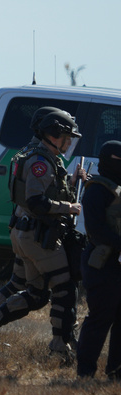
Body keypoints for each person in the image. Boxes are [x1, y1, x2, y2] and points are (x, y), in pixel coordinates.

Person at [0, 109, 84, 358]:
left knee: (36, 294)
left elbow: (47, 193)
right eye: (66, 137)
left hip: (28, 233)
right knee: (64, 289)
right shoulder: (41, 161)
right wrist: (70, 207)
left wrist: (73, 184)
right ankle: (60, 348)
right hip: (38, 235)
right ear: (52, 134)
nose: (68, 143)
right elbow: (37, 202)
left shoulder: (38, 155)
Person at [76, 141, 121, 378]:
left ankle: (116, 371)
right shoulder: (97, 190)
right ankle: (85, 373)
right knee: (100, 318)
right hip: (102, 264)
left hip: (117, 263)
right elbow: (96, 229)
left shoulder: (115, 187)